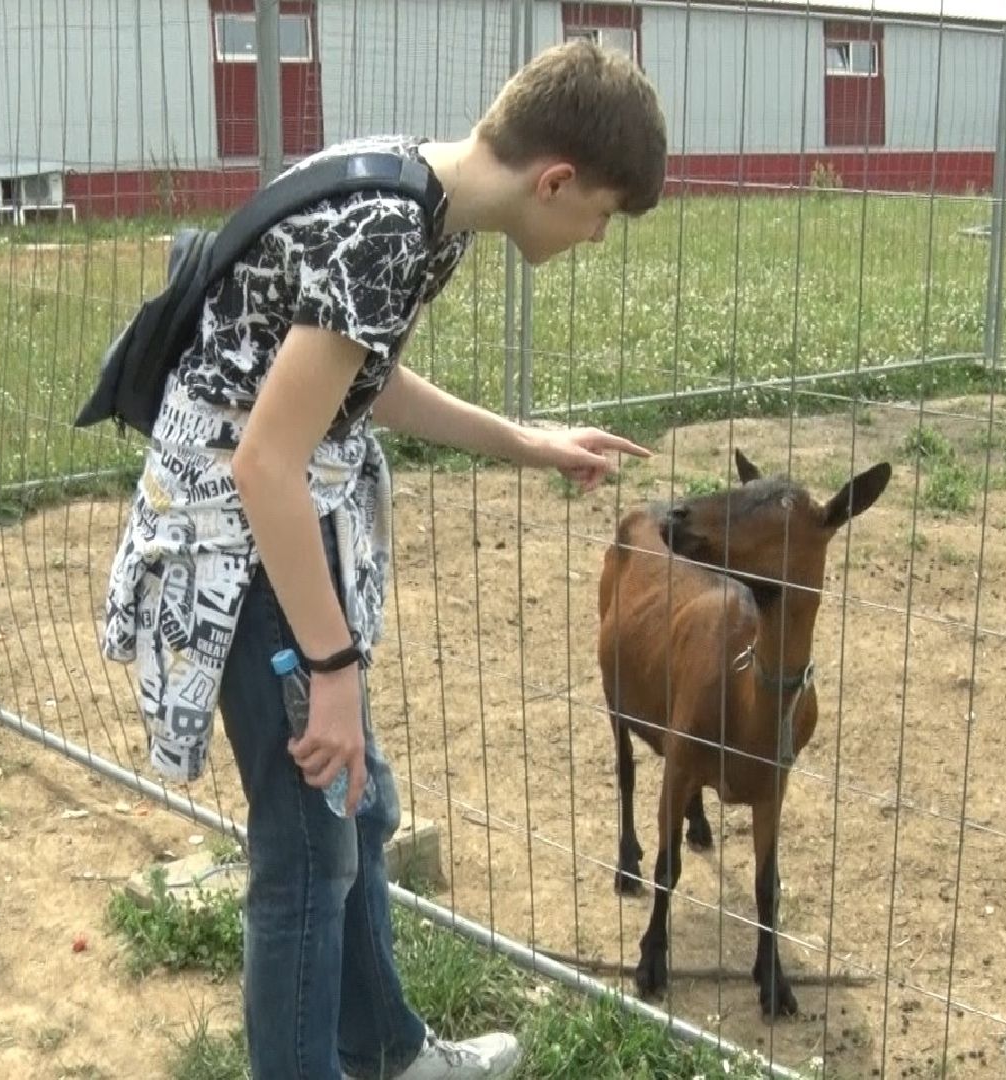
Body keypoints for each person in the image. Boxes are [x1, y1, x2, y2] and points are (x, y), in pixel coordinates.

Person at [98, 38, 666, 1080]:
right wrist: (332, 668)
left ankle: (390, 1053)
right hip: (240, 550)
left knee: (357, 806)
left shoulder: (421, 205)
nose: (591, 237)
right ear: (556, 181)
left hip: (270, 531)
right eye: (599, 216)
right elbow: (268, 462)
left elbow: (359, 380)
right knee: (309, 852)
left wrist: (528, 440)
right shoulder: (391, 231)